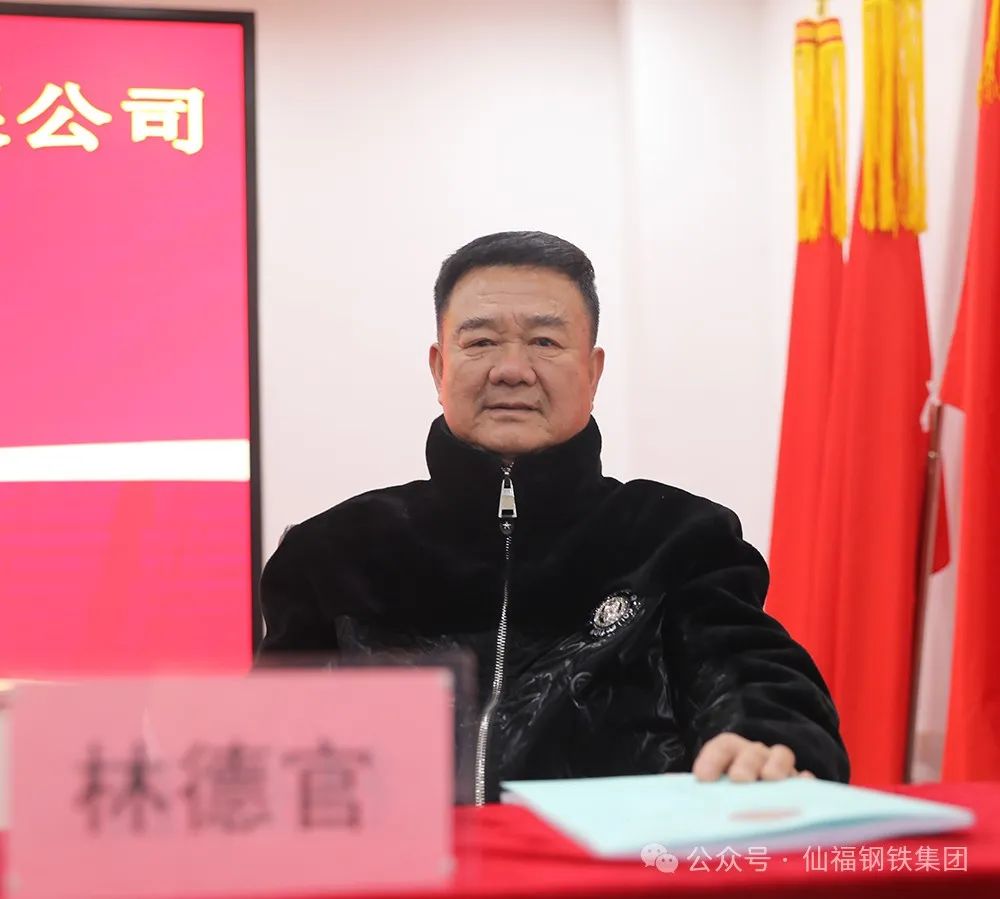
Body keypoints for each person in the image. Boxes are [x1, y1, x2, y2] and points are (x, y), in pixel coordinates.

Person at [257, 231, 849, 804]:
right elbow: (265, 743)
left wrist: (765, 740)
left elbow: (748, 674)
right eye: (481, 342)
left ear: (593, 372)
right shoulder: (332, 555)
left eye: (544, 341)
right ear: (439, 369)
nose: (512, 369)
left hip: (611, 865)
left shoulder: (679, 540)